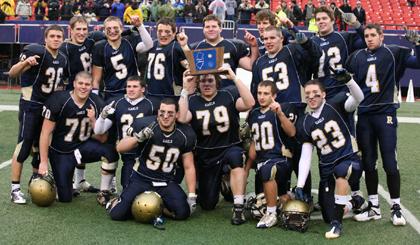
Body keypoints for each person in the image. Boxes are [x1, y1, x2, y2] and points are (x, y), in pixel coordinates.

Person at [346, 25, 420, 226]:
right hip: (365, 115)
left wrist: (418, 44)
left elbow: (418, 63)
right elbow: (346, 80)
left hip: (385, 113)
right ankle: (374, 207)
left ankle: (396, 208)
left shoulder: (393, 51)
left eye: (373, 35)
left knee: (390, 163)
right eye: (366, 36)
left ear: (381, 36)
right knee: (368, 163)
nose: (369, 39)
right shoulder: (356, 57)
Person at [250, 25, 322, 205]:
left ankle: (304, 193)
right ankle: (276, 192)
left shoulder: (292, 50)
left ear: (281, 38)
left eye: (272, 38)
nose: (268, 42)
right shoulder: (260, 62)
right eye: (265, 39)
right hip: (269, 113)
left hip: (293, 108)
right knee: (272, 153)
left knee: (297, 151)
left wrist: (304, 41)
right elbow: (255, 90)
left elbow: (315, 55)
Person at [178, 66, 255, 225]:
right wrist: (185, 90)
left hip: (229, 147)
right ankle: (223, 181)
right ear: (198, 84)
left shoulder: (227, 94)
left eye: (210, 80)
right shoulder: (193, 100)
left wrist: (234, 77)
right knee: (207, 204)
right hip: (207, 155)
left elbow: (250, 102)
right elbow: (182, 118)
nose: (206, 84)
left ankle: (238, 207)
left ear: (217, 83)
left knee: (236, 157)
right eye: (203, 81)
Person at [296, 74, 364, 239]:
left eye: (315, 92)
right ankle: (355, 201)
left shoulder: (336, 105)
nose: (311, 97)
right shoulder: (305, 122)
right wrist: (299, 185)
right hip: (327, 170)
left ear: (324, 94)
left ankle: (337, 225)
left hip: (349, 159)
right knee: (328, 214)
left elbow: (359, 98)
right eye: (308, 94)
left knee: (341, 172)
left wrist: (349, 80)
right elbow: (305, 156)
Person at [108, 98, 197, 221]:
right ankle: (116, 201)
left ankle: (161, 208)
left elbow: (189, 166)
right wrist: (138, 138)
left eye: (170, 113)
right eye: (162, 112)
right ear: (158, 112)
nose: (165, 116)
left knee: (183, 213)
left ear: (177, 114)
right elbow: (120, 148)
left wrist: (192, 195)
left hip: (166, 181)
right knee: (117, 215)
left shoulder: (185, 134)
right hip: (141, 178)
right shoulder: (145, 125)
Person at [8, 25, 68, 204]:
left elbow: (59, 85)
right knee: (25, 145)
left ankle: (35, 180)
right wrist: (25, 63)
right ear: (46, 38)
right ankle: (14, 189)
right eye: (52, 36)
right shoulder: (36, 52)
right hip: (31, 105)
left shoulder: (63, 58)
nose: (56, 39)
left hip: (48, 107)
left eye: (59, 36)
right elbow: (12, 73)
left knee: (40, 147)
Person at [38, 71, 119, 203]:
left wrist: (93, 121)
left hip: (82, 148)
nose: (83, 87)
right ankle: (60, 181)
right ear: (74, 84)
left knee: (110, 152)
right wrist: (43, 162)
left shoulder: (96, 102)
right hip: (61, 152)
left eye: (87, 84)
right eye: (80, 83)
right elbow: (45, 133)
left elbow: (103, 138)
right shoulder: (59, 100)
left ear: (91, 86)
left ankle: (104, 192)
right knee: (65, 198)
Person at [60, 16, 105, 194]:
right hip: (73, 94)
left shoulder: (91, 40)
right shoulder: (65, 47)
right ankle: (68, 180)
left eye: (84, 29)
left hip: (89, 94)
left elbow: (109, 34)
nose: (81, 32)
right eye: (78, 29)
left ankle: (80, 180)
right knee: (70, 137)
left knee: (85, 134)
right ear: (70, 30)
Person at [245, 80, 296, 228]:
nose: (261, 97)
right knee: (258, 204)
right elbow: (255, 142)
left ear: (274, 95)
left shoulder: (280, 110)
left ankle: (271, 214)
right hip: (262, 164)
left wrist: (280, 114)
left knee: (267, 171)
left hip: (280, 161)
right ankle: (289, 196)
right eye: (259, 93)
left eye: (266, 93)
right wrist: (247, 168)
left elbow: (292, 132)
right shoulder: (253, 114)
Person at [94, 76, 157, 190]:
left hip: (147, 156)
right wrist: (102, 117)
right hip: (127, 156)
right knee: (127, 188)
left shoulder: (152, 104)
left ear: (143, 89)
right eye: (128, 86)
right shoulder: (118, 103)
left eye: (135, 86)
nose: (131, 89)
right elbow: (99, 130)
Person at [92, 15, 153, 101]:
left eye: (115, 28)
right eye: (109, 28)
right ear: (104, 30)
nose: (112, 31)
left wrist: (140, 26)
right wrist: (95, 100)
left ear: (121, 28)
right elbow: (96, 79)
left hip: (133, 91)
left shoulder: (130, 41)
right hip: (112, 93)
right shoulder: (100, 47)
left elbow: (149, 45)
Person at [190, 14, 259, 88]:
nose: (211, 29)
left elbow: (250, 66)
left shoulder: (233, 45)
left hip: (228, 91)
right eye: (207, 27)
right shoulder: (196, 48)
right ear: (203, 29)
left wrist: (254, 46)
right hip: (204, 93)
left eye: (214, 26)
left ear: (220, 28)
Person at [145, 17, 188, 98]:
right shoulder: (152, 45)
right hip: (150, 95)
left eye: (167, 31)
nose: (163, 34)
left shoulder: (176, 47)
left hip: (170, 97)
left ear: (174, 33)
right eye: (160, 31)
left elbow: (191, 67)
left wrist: (185, 46)